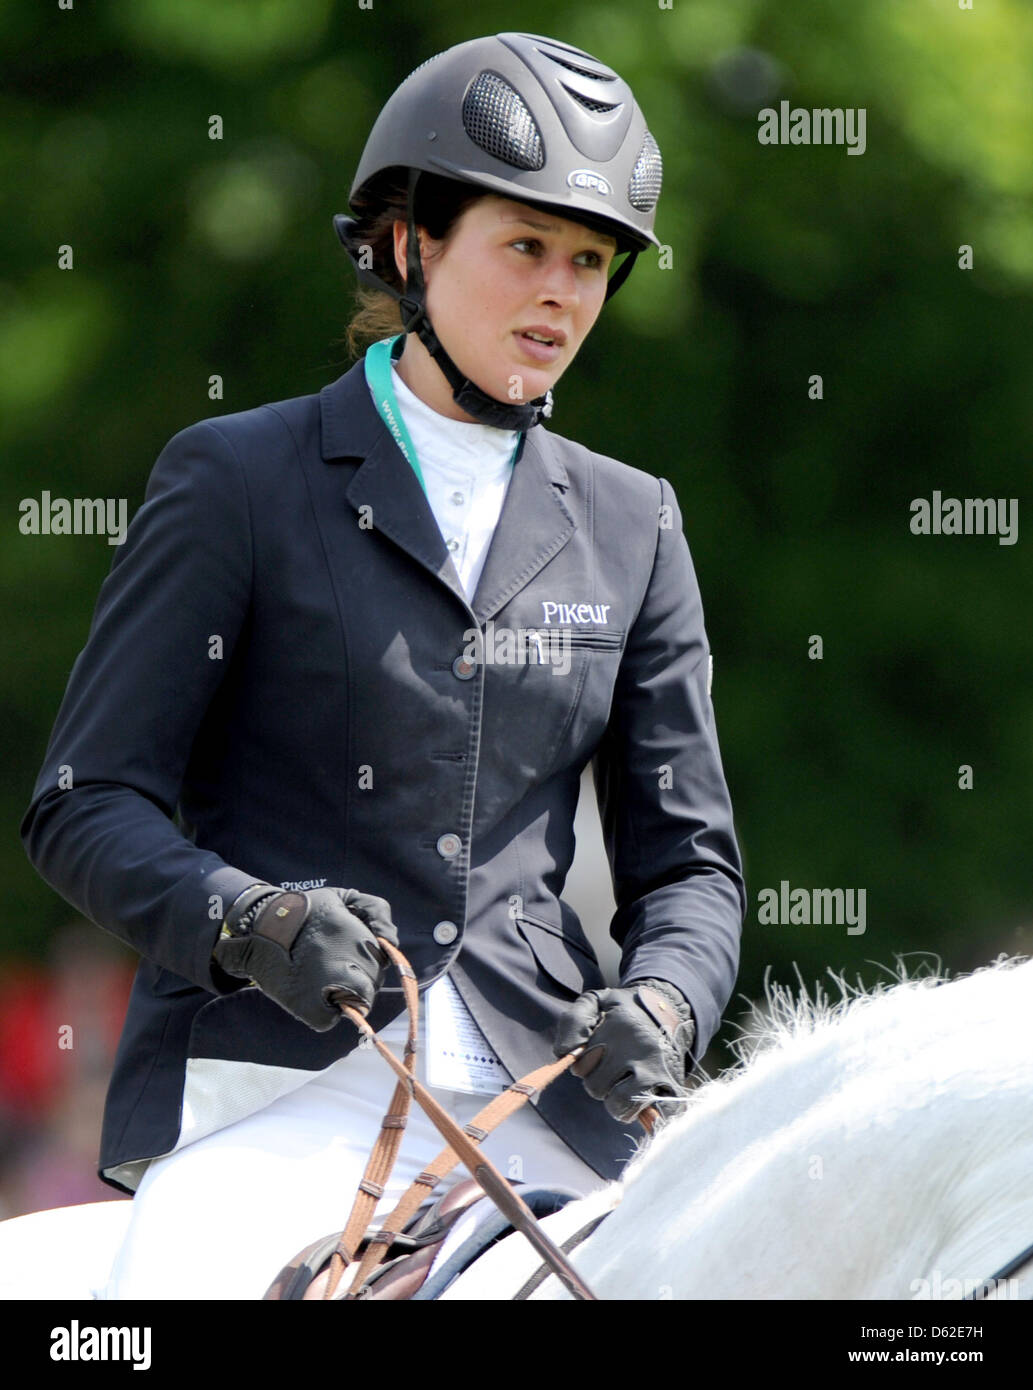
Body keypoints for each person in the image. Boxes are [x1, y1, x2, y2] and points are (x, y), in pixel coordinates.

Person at [21, 31, 745, 1300]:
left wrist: (672, 1005)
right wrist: (247, 919)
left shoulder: (636, 524)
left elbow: (688, 866)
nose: (562, 295)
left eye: (588, 263)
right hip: (275, 1090)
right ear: (410, 246)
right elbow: (86, 804)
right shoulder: (239, 478)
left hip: (547, 1111)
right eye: (525, 248)